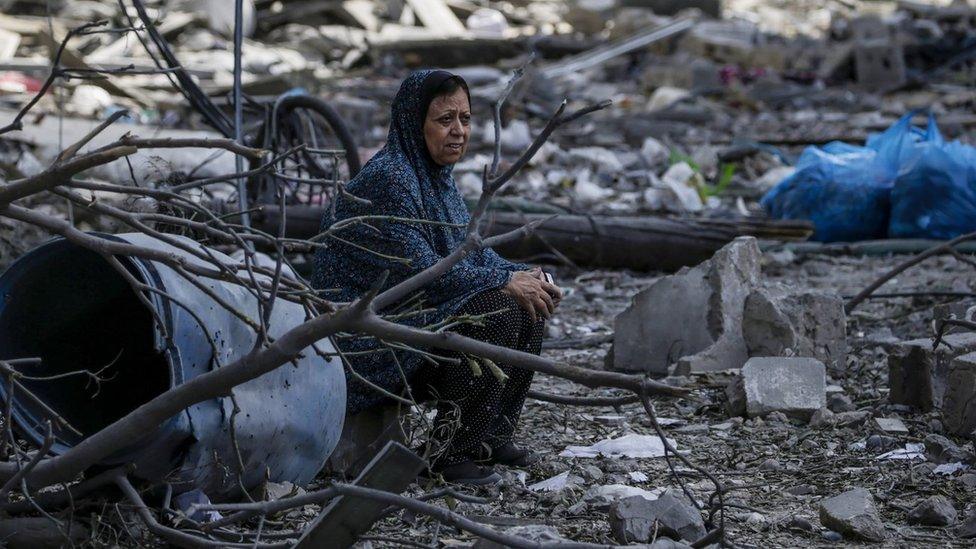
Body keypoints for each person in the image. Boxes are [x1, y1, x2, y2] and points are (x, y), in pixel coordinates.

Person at [312, 70, 562, 484]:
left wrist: (524, 274)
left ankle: (489, 437)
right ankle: (450, 454)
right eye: (445, 120)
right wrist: (504, 283)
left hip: (414, 319)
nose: (459, 131)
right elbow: (428, 272)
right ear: (414, 123)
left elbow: (470, 254)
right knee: (495, 310)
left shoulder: (436, 179)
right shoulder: (392, 179)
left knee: (528, 302)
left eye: (465, 119)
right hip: (366, 341)